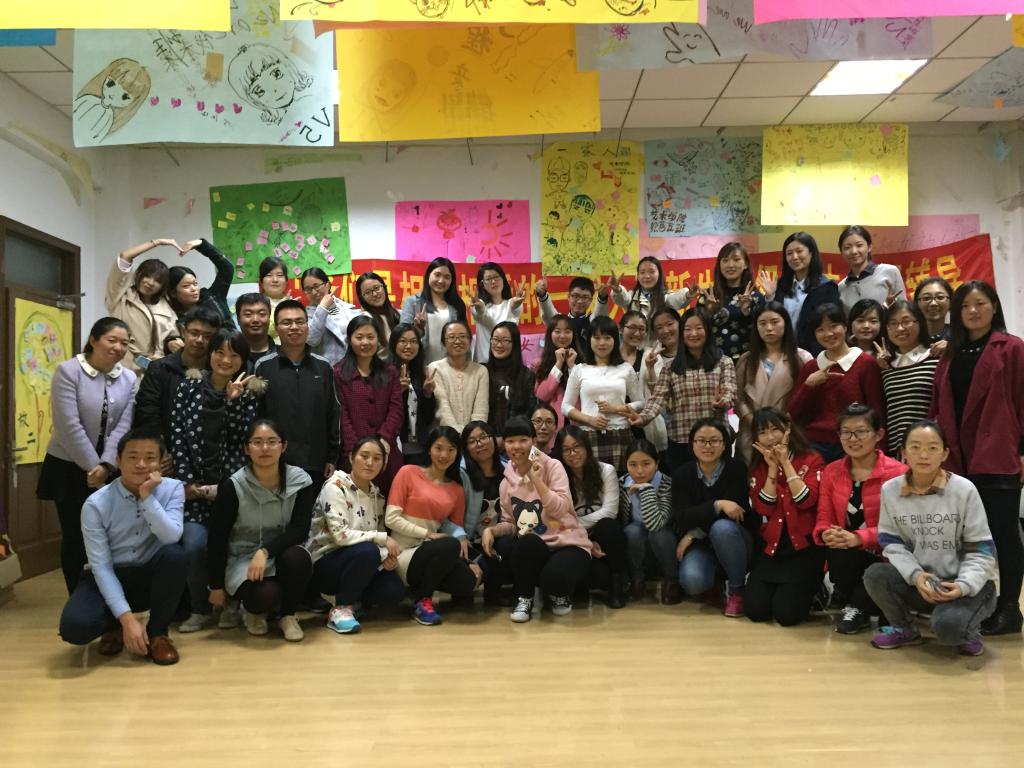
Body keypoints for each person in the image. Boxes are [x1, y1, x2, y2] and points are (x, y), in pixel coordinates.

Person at [930, 280, 1024, 636]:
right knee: (963, 537)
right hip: (957, 458)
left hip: (997, 453)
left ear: (994, 307)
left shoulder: (1011, 348)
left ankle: (1009, 608)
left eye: (980, 303)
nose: (972, 310)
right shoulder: (951, 353)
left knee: (1003, 534)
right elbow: (939, 404)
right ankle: (972, 603)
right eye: (965, 305)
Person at [864, 420, 997, 656]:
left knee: (948, 629)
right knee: (876, 575)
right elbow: (891, 543)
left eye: (932, 448)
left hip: (965, 585)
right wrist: (916, 576)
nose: (923, 455)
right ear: (904, 453)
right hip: (923, 582)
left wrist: (963, 586)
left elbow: (982, 549)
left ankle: (967, 629)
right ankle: (905, 628)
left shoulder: (964, 490)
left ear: (944, 453)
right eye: (915, 447)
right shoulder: (891, 490)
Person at [58, 429, 186, 666]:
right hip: (108, 574)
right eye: (132, 457)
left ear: (161, 462)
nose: (141, 464)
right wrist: (127, 619)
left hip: (148, 573)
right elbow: (101, 566)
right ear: (118, 461)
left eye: (150, 458)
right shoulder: (96, 503)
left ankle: (158, 635)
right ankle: (116, 625)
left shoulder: (173, 489)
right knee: (75, 628)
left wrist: (147, 497)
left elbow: (171, 537)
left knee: (175, 556)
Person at [168, 328, 262, 633]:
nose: (225, 360)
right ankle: (200, 608)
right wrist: (186, 482)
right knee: (194, 546)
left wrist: (232, 401)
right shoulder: (189, 386)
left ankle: (230, 606)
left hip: (231, 487)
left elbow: (242, 441)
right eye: (219, 352)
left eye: (234, 354)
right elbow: (177, 436)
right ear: (209, 355)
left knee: (232, 546)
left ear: (243, 359)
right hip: (193, 488)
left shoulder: (249, 392)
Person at [37, 318, 137, 594]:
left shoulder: (129, 378)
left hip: (110, 468)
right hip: (69, 467)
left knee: (111, 536)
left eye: (124, 343)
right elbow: (68, 425)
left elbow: (124, 425)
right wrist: (94, 466)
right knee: (76, 537)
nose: (118, 348)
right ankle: (78, 598)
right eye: (111, 340)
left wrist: (106, 465)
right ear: (93, 340)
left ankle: (109, 597)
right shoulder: (69, 371)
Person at [207, 419, 316, 642]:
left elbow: (300, 529)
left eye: (272, 442)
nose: (265, 448)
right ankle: (252, 610)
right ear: (247, 449)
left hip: (279, 552)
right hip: (242, 559)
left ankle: (287, 616)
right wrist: (216, 586)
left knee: (299, 558)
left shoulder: (300, 480)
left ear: (283, 446)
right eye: (257, 442)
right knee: (265, 596)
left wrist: (265, 551)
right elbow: (217, 538)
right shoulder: (233, 486)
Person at [481, 418, 592, 623]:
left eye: (523, 440)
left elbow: (560, 509)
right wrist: (492, 531)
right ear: (504, 444)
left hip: (568, 543)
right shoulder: (506, 483)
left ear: (533, 440)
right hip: (536, 547)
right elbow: (512, 524)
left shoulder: (553, 466)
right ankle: (524, 598)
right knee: (526, 542)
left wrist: (535, 479)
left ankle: (559, 594)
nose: (516, 446)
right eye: (510, 441)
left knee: (555, 578)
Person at [813, 404, 906, 634]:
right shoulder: (832, 471)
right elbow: (824, 516)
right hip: (848, 555)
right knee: (837, 551)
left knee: (878, 596)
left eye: (861, 432)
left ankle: (863, 605)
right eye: (846, 432)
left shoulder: (899, 473)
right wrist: (826, 532)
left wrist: (859, 538)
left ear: (878, 434)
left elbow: (902, 528)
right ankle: (858, 604)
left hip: (887, 556)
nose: (853, 439)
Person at [303, 436, 406, 635]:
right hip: (324, 562)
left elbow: (375, 539)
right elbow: (340, 536)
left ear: (383, 464)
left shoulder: (378, 497)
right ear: (351, 458)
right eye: (364, 456)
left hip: (358, 560)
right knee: (368, 551)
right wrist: (382, 539)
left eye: (377, 458)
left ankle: (354, 600)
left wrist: (385, 557)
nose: (370, 463)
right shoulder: (335, 487)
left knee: (394, 591)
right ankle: (340, 609)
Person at [385, 427, 479, 626]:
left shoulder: (457, 489)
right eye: (439, 448)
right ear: (429, 449)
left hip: (431, 552)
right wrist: (427, 534)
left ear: (458, 453)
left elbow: (454, 528)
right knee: (450, 545)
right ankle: (422, 600)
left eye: (451, 449)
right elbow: (391, 519)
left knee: (467, 581)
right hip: (401, 553)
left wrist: (467, 556)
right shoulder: (408, 472)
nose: (444, 455)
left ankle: (421, 588)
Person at [745, 408, 825, 626]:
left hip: (803, 547)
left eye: (775, 430)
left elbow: (805, 501)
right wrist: (772, 468)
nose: (770, 437)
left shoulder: (812, 458)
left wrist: (785, 463)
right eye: (763, 432)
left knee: (786, 615)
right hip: (773, 546)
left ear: (787, 429)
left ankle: (817, 589)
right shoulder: (758, 466)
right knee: (756, 610)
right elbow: (763, 508)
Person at [628, 307, 736, 467]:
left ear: (707, 330)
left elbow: (730, 391)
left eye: (699, 328)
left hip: (716, 440)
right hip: (681, 441)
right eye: (688, 329)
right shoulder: (670, 367)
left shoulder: (724, 362)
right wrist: (643, 417)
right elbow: (658, 398)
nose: (693, 333)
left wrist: (723, 401)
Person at [673, 419, 756, 617]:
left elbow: (736, 514)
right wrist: (717, 505)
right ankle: (716, 583)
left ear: (725, 444)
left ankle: (737, 591)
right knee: (693, 582)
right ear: (692, 444)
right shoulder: (682, 474)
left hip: (735, 539)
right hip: (702, 546)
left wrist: (694, 533)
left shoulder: (737, 469)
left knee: (722, 528)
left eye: (714, 440)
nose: (707, 446)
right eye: (701, 440)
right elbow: (682, 517)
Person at [255, 299, 340, 481]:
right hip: (276, 463)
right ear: (277, 329)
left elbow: (333, 413)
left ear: (307, 326)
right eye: (287, 322)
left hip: (316, 462)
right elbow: (257, 415)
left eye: (300, 321)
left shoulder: (323, 367)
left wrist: (332, 457)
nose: (294, 327)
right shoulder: (263, 366)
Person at [788, 304, 884, 463]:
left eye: (834, 326)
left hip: (855, 443)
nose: (828, 333)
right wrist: (808, 386)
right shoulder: (811, 367)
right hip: (814, 445)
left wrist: (879, 451)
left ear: (845, 327)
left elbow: (876, 410)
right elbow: (794, 413)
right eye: (820, 329)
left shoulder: (865, 363)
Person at [553, 426, 628, 608]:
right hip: (572, 536)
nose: (573, 454)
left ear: (586, 446)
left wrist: (576, 526)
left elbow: (610, 511)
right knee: (594, 577)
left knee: (608, 525)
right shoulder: (558, 477)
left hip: (601, 533)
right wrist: (583, 538)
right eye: (566, 450)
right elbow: (558, 519)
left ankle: (617, 586)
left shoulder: (606, 470)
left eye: (577, 447)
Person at [562, 315, 643, 473]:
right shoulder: (580, 369)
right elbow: (565, 406)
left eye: (607, 338)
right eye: (597, 337)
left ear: (615, 340)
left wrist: (616, 408)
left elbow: (640, 403)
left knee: (622, 481)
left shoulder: (625, 368)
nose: (602, 343)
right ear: (589, 340)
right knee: (592, 481)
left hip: (621, 434)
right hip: (588, 435)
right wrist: (589, 420)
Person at [734, 302, 813, 463]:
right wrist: (757, 425)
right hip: (752, 435)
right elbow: (738, 398)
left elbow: (807, 399)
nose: (769, 328)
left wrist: (780, 427)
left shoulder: (802, 358)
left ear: (785, 323)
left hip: (789, 432)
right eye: (762, 323)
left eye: (774, 322)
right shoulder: (746, 360)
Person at [132, 306, 221, 446]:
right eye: (194, 333)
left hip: (206, 450)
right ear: (183, 332)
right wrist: (161, 449)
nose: (199, 340)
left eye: (207, 336)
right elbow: (147, 412)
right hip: (165, 449)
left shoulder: (218, 371)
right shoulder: (159, 368)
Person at [334, 316, 403, 495]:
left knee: (389, 503)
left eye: (370, 337)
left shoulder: (390, 372)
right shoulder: (339, 373)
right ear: (350, 340)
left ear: (378, 339)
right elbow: (342, 415)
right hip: (353, 455)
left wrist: (383, 443)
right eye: (359, 337)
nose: (365, 342)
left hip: (387, 454)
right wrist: (356, 451)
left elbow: (396, 410)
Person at [759, 231, 839, 356]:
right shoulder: (779, 286)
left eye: (799, 251)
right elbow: (770, 320)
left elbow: (829, 325)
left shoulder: (827, 288)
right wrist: (770, 297)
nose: (794, 257)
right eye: (789, 253)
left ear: (811, 253)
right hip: (782, 353)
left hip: (814, 354)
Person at [618, 438, 678, 604]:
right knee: (631, 530)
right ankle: (637, 580)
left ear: (656, 463)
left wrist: (646, 489)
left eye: (646, 464)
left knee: (659, 533)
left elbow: (656, 523)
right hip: (637, 547)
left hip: (665, 544)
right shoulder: (622, 483)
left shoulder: (667, 484)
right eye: (633, 464)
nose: (639, 471)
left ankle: (672, 580)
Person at [106, 238, 179, 371]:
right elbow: (125, 256)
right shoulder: (120, 296)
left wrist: (168, 350)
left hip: (156, 371)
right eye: (147, 276)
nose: (150, 283)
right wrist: (157, 242)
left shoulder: (167, 308)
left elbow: (172, 339)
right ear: (139, 274)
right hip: (122, 368)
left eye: (157, 281)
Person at [876, 299, 939, 457]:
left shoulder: (936, 359)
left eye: (906, 321)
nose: (900, 328)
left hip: (929, 449)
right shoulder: (885, 367)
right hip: (896, 451)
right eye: (893, 323)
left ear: (920, 322)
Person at [460, 422, 512, 605]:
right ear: (465, 448)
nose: (480, 443)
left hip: (496, 535)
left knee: (508, 545)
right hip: (468, 540)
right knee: (463, 594)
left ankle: (494, 592)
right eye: (472, 441)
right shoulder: (461, 474)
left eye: (483, 437)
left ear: (494, 439)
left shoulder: (509, 472)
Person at [697, 242, 763, 362]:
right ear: (719, 265)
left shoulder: (756, 297)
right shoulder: (708, 296)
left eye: (736, 259)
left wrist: (746, 312)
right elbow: (696, 332)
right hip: (713, 362)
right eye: (725, 260)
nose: (730, 265)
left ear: (746, 264)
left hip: (747, 362)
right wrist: (709, 313)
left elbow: (763, 332)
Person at [400, 257, 467, 366]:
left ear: (452, 281)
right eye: (437, 275)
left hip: (451, 367)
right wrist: (418, 330)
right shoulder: (413, 302)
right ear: (428, 275)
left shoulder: (457, 305)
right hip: (420, 366)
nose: (441, 281)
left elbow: (465, 338)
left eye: (447, 277)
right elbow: (402, 336)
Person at [428, 320, 489, 434]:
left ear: (470, 340)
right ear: (443, 342)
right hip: (443, 436)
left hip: (474, 438)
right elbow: (443, 409)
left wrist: (472, 436)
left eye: (462, 336)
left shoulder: (481, 371)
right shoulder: (434, 369)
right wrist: (458, 436)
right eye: (451, 337)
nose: (457, 341)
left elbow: (481, 411)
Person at [389, 323, 435, 467]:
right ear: (393, 343)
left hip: (418, 446)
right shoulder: (384, 372)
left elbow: (427, 417)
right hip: (393, 444)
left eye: (414, 341)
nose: (409, 346)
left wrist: (427, 394)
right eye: (403, 341)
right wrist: (397, 392)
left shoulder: (421, 373)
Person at [639, 308, 682, 457]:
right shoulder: (652, 356)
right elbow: (657, 393)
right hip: (664, 423)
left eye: (669, 324)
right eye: (659, 328)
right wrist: (650, 368)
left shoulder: (694, 352)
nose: (665, 331)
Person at [301, 267, 364, 366]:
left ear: (328, 284)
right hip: (326, 369)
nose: (314, 292)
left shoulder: (344, 308)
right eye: (308, 289)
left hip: (351, 366)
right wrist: (323, 306)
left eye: (316, 286)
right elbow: (312, 339)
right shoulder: (304, 315)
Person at [836, 225, 906, 313]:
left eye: (859, 245)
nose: (854, 251)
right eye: (847, 247)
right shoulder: (841, 288)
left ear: (869, 247)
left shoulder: (890, 272)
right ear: (841, 252)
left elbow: (904, 310)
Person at [166, 238, 235, 326]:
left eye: (195, 284)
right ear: (173, 293)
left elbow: (227, 269)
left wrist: (201, 244)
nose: (193, 289)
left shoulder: (212, 296)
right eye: (186, 286)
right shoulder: (173, 318)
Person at [609, 256, 691, 329]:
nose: (647, 276)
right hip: (636, 340)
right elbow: (624, 298)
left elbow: (675, 299)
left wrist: (688, 294)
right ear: (638, 276)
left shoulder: (666, 296)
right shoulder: (632, 296)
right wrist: (618, 290)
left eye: (652, 272)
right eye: (642, 272)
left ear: (659, 274)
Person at [486, 321, 536, 437]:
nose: (499, 345)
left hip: (515, 438)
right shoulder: (482, 371)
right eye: (495, 339)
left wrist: (510, 437)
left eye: (505, 340)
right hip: (487, 439)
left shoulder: (526, 375)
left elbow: (529, 412)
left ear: (515, 343)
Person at [533, 314, 581, 436]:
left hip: (578, 425)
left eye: (567, 331)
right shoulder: (539, 364)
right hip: (551, 428)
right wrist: (558, 364)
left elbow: (585, 393)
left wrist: (572, 367)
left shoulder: (582, 362)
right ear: (550, 334)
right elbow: (542, 395)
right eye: (557, 331)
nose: (562, 336)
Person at [470, 262, 525, 363]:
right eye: (489, 279)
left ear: (503, 279)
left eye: (496, 277)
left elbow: (514, 307)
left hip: (509, 364)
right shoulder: (479, 305)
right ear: (482, 284)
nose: (493, 281)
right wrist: (480, 308)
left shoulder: (511, 304)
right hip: (484, 364)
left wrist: (515, 304)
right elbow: (481, 313)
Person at [535, 275, 609, 345]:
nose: (580, 301)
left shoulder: (592, 322)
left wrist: (602, 298)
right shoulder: (560, 321)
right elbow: (548, 314)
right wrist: (542, 295)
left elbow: (600, 317)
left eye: (585, 297)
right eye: (575, 296)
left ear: (591, 300)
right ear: (568, 297)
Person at [355, 271, 401, 356]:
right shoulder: (365, 319)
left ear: (384, 287)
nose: (375, 294)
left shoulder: (398, 314)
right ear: (362, 298)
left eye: (377, 288)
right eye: (368, 292)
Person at [234, 293, 276, 371]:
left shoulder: (283, 355)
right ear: (238, 320)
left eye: (262, 314)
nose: (255, 320)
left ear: (269, 317)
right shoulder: (228, 355)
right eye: (248, 314)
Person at [913, 276, 953, 355]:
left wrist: (953, 347)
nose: (933, 303)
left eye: (940, 297)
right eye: (926, 298)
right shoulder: (909, 336)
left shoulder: (960, 335)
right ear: (916, 304)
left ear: (950, 302)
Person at [257, 256, 290, 341]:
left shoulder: (293, 303)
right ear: (261, 281)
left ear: (286, 280)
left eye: (280, 275)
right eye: (269, 275)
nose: (275, 280)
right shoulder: (253, 305)